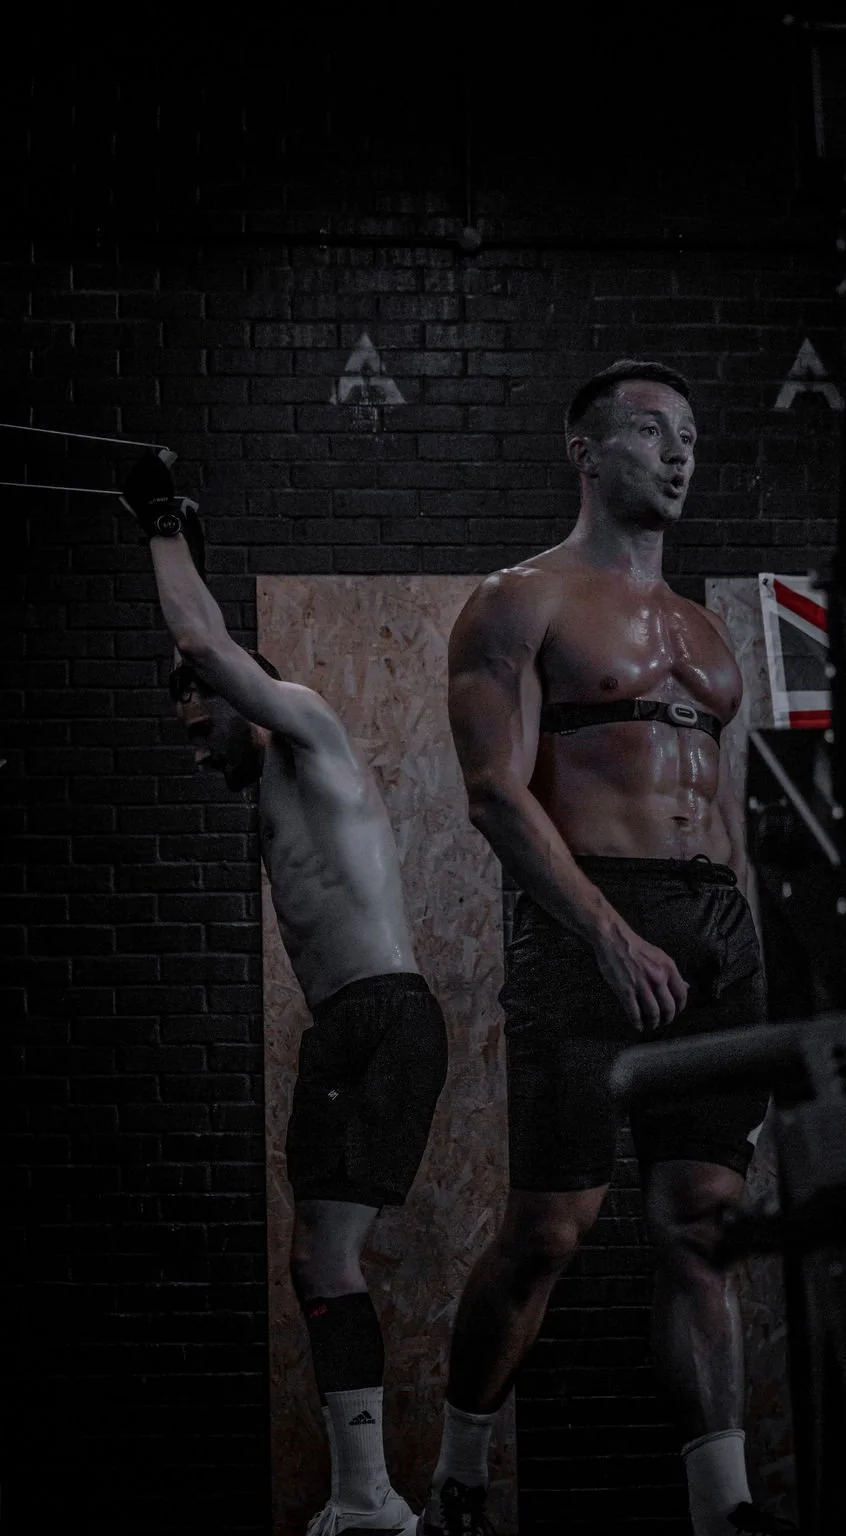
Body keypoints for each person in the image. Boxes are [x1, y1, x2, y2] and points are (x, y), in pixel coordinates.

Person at [420, 361, 794, 1536]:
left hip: (713, 940)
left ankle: (720, 1508)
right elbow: (494, 796)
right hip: (587, 924)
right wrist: (608, 932)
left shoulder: (702, 630)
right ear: (585, 450)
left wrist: (745, 952)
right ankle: (459, 1479)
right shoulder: (518, 600)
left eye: (689, 434)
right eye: (649, 432)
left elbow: (716, 809)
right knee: (549, 1232)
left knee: (700, 1231)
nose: (678, 453)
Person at [121, 458, 448, 1536]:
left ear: (241, 705)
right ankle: (367, 1499)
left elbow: (211, 648)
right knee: (317, 1259)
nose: (199, 748)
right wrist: (193, 567)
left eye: (201, 727)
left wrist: (160, 524)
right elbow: (203, 646)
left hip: (384, 1018)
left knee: (328, 1257)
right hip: (347, 1029)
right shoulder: (269, 775)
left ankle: (374, 1502)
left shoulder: (307, 730)